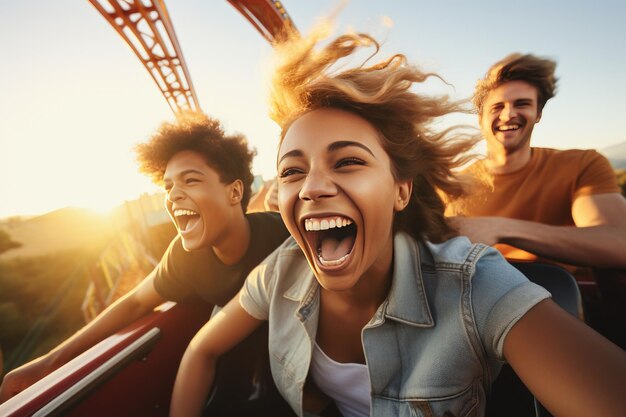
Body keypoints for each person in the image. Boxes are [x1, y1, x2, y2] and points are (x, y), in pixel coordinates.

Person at [169, 30, 626, 417]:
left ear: (401, 189)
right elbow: (200, 349)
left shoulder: (472, 282)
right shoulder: (280, 270)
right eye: (292, 171)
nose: (311, 187)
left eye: (347, 161)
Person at [0, 112, 291, 408]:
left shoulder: (283, 236)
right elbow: (135, 302)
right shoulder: (185, 256)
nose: (174, 195)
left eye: (190, 180)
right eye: (168, 186)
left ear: (234, 191)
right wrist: (49, 363)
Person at [447, 53, 626, 270]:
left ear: (538, 113)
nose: (508, 115)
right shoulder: (451, 186)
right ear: (480, 118)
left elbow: (618, 242)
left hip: (560, 293)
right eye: (497, 107)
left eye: (522, 104)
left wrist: (500, 228)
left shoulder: (582, 165)